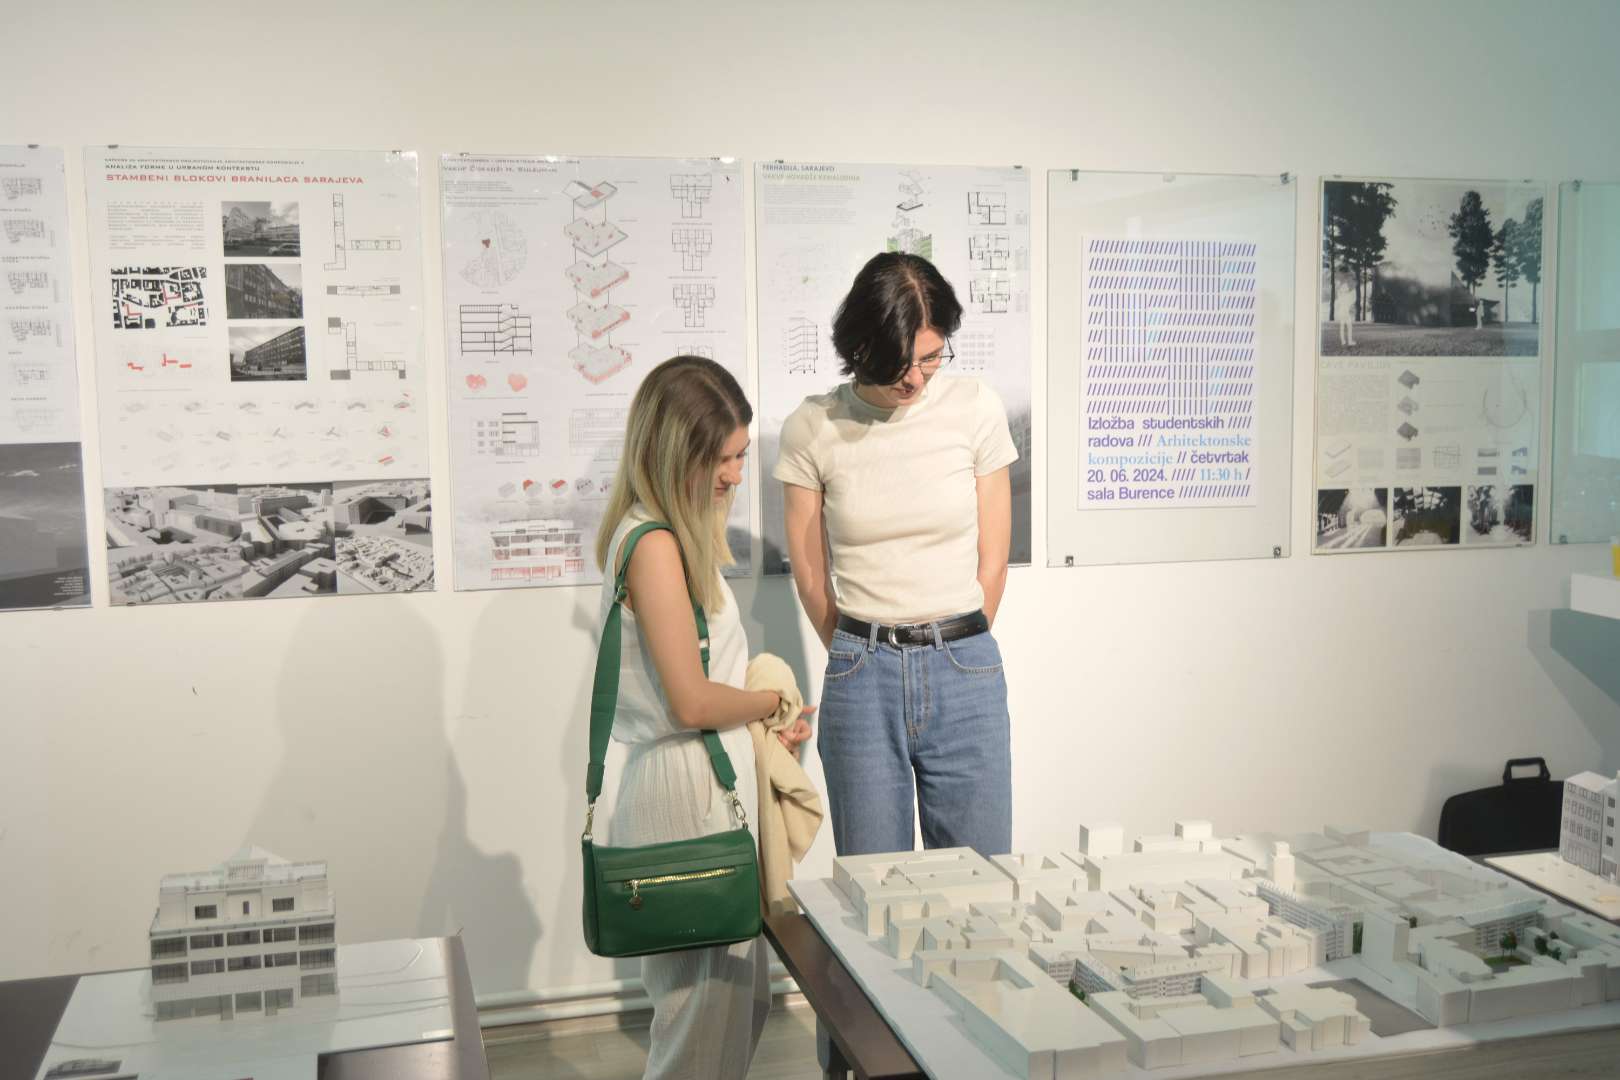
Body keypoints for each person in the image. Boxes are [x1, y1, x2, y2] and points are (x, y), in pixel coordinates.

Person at [594, 355, 810, 1080]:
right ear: (671, 452)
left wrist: (754, 718)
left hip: (699, 786)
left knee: (726, 1018)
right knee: (699, 1034)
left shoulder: (663, 537)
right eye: (720, 459)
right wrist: (769, 703)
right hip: (688, 798)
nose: (734, 476)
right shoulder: (656, 546)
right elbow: (691, 701)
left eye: (741, 456)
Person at [775, 253, 1018, 859]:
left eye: (930, 357)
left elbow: (994, 560)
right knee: (873, 888)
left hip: (965, 666)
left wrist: (959, 640)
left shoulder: (975, 408)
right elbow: (811, 575)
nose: (915, 378)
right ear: (860, 346)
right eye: (898, 362)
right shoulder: (813, 426)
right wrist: (859, 653)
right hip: (863, 672)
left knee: (979, 882)